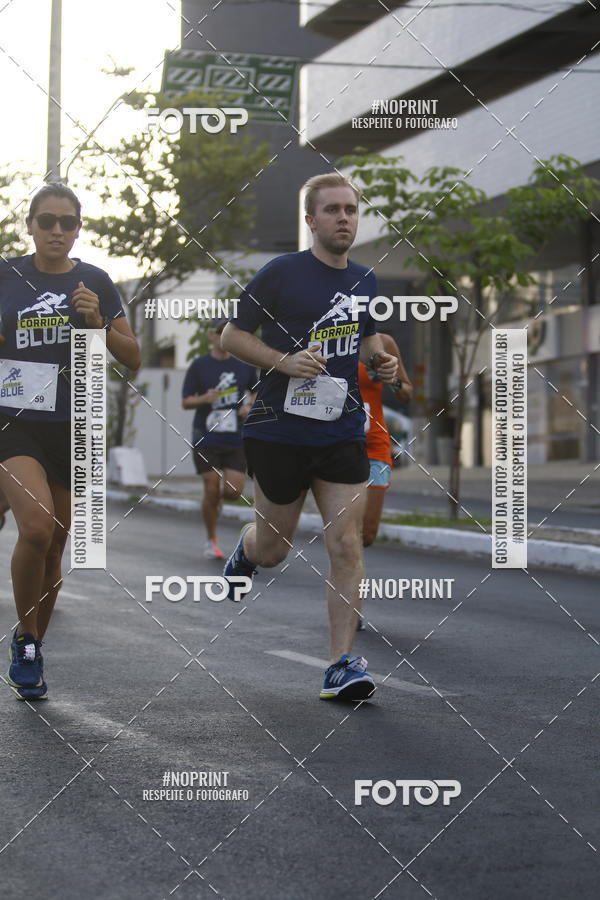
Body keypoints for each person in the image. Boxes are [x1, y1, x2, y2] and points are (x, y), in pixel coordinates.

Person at [221, 172, 398, 703]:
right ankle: (248, 549)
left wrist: (381, 361)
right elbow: (231, 336)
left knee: (345, 542)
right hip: (279, 430)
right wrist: (284, 361)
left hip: (341, 431)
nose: (344, 218)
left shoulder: (365, 279)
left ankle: (340, 664)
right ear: (310, 220)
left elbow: (366, 339)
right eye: (332, 210)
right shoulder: (281, 273)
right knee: (275, 549)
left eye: (351, 209)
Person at [0, 183, 140, 700]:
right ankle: (25, 638)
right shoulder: (6, 275)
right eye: (46, 221)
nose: (56, 230)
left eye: (67, 222)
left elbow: (133, 356)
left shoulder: (95, 281)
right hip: (14, 421)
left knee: (56, 545)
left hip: (73, 424)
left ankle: (31, 643)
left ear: (78, 229)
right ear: (30, 226)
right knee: (36, 528)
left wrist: (98, 324)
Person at [182, 319, 255, 559]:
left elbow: (256, 391)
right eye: (219, 332)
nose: (223, 337)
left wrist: (249, 407)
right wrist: (204, 398)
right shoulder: (199, 365)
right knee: (211, 487)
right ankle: (211, 540)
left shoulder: (243, 365)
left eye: (227, 332)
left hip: (234, 437)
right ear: (211, 336)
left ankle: (212, 503)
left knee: (233, 491)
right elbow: (185, 401)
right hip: (206, 436)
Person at [360, 333, 413, 548]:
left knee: (366, 534)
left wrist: (393, 380)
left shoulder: (383, 342)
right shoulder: (325, 338)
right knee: (341, 528)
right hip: (335, 443)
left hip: (374, 445)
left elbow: (407, 393)